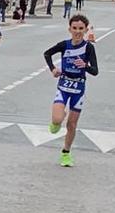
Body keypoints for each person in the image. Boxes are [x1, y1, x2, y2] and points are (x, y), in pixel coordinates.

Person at [42, 12, 100, 167]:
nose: (77, 31)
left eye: (81, 28)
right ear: (70, 29)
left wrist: (85, 66)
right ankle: (57, 120)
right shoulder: (64, 45)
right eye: (74, 28)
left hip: (78, 89)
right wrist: (53, 69)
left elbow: (95, 71)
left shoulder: (88, 48)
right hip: (63, 86)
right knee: (57, 120)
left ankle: (66, 153)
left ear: (86, 30)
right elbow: (47, 54)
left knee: (72, 125)